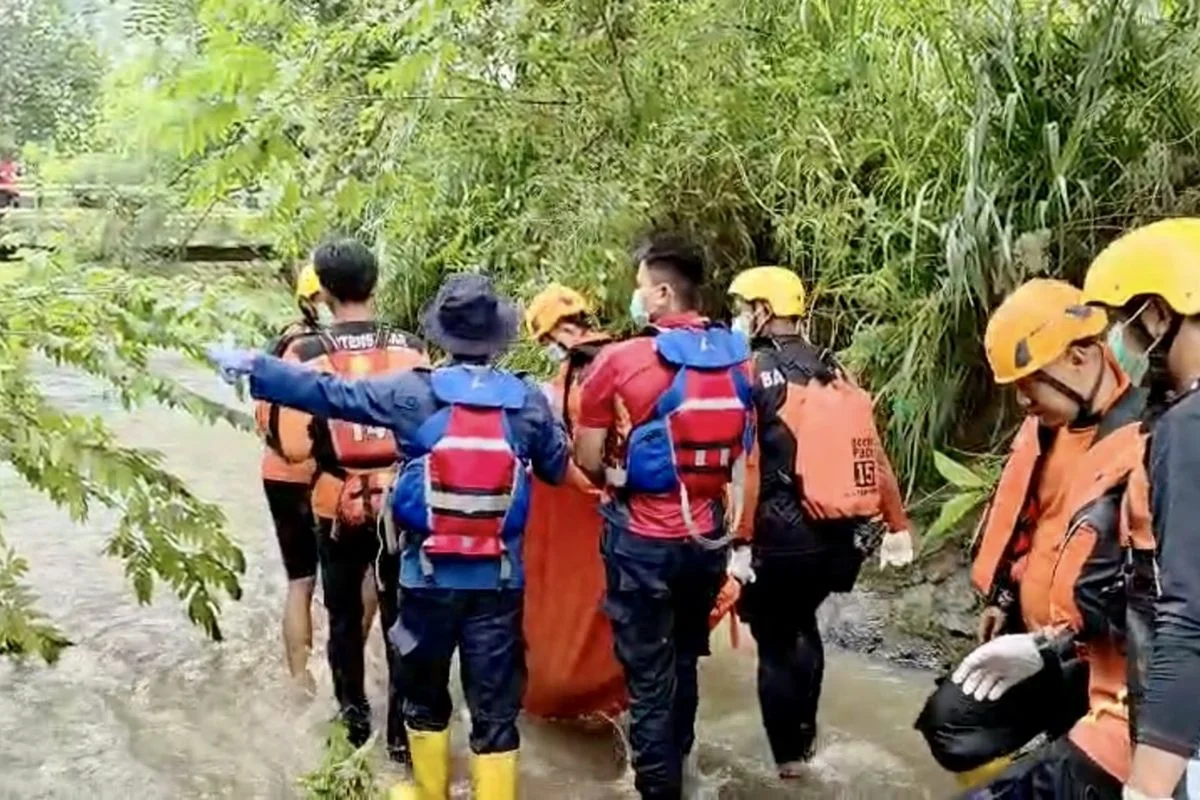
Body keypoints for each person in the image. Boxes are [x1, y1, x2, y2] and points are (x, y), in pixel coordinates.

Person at [208, 272, 570, 800]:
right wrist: (549, 416)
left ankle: (429, 792)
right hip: (499, 580)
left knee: (423, 691)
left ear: (443, 336)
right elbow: (558, 471)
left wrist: (258, 366)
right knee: (494, 701)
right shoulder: (526, 401)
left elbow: (330, 394)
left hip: (427, 577)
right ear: (499, 338)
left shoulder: (412, 393)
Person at [926, 278, 1151, 799]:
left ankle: (1071, 755)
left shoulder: (1146, 440)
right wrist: (1003, 595)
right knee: (951, 725)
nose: (1023, 400)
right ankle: (1049, 753)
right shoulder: (1046, 427)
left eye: (1031, 382)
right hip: (1035, 636)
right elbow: (1027, 518)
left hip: (1096, 652)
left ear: (1079, 356)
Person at [574, 232, 754, 800]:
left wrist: (616, 481)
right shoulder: (738, 360)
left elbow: (586, 456)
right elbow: (745, 457)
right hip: (706, 540)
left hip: (642, 541)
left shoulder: (620, 360)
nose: (636, 300)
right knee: (684, 661)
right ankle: (684, 772)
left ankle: (659, 789)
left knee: (649, 683)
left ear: (661, 293)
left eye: (639, 290)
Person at [724, 266, 913, 777]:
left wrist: (739, 542)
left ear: (762, 311)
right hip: (839, 541)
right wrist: (897, 524)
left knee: (776, 642)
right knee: (802, 627)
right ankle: (809, 752)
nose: (741, 317)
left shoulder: (752, 372)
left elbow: (749, 465)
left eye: (745, 308)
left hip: (780, 538)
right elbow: (872, 454)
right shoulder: (835, 369)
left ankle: (789, 767)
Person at [253, 241, 427, 759]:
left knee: (345, 616)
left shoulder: (304, 352)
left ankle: (353, 728)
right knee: (401, 614)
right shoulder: (412, 347)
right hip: (401, 502)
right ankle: (403, 737)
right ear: (375, 285)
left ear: (324, 292)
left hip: (336, 503)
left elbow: (293, 444)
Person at [1081, 218, 1200, 800]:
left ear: (1159, 314)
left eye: (1127, 322)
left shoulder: (1188, 426)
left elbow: (1192, 618)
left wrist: (1150, 785)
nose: (1122, 343)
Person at [521, 284, 628, 720]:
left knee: (595, 616)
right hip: (658, 511)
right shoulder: (630, 354)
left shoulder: (575, 378)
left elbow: (579, 456)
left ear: (558, 332)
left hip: (603, 509)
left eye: (545, 341)